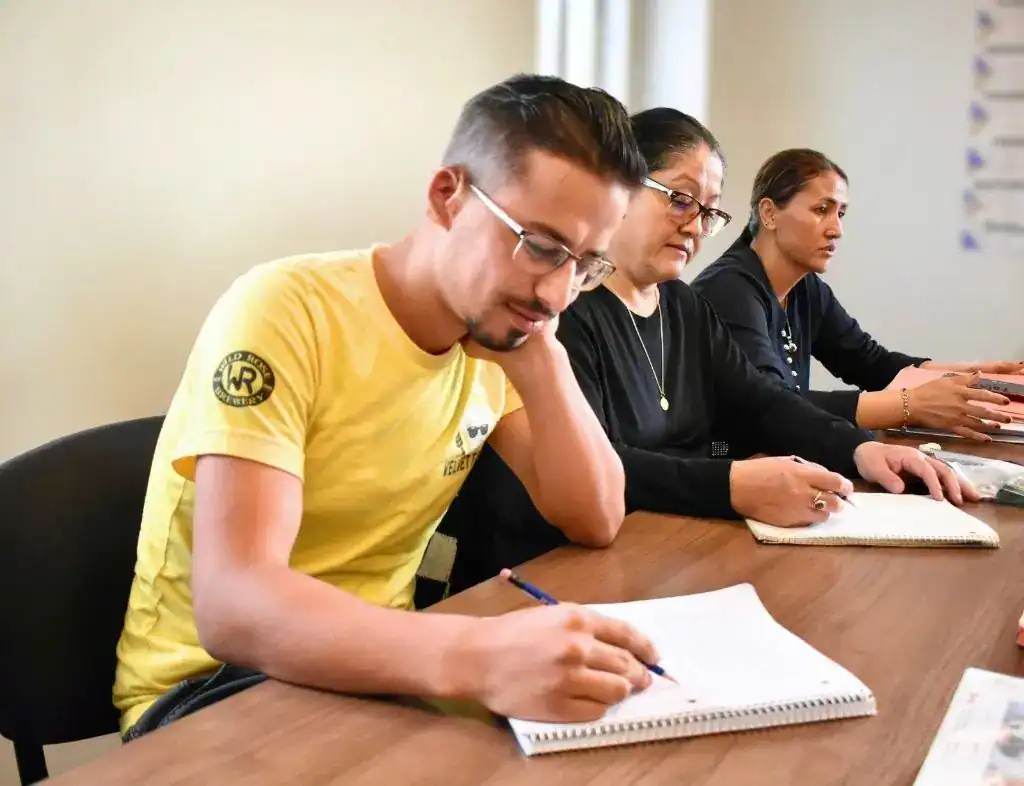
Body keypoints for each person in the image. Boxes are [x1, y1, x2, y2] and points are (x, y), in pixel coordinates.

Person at [113, 74, 665, 740]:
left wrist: (544, 360)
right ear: (447, 196)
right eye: (541, 246)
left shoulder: (502, 332)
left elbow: (596, 517)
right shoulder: (285, 310)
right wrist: (476, 657)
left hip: (381, 669)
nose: (555, 291)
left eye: (585, 265)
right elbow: (234, 604)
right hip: (212, 687)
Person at [417, 109, 970, 603]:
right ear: (621, 190)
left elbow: (759, 401)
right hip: (544, 572)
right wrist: (730, 483)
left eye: (708, 212)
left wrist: (861, 450)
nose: (695, 224)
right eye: (680, 199)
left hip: (659, 558)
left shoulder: (682, 305)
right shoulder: (560, 310)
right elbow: (604, 466)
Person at [690, 148, 1024, 442]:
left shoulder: (806, 289)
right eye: (822, 209)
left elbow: (871, 363)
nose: (837, 229)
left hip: (776, 460)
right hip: (720, 458)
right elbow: (774, 406)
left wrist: (973, 375)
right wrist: (910, 405)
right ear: (769, 213)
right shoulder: (728, 289)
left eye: (841, 213)